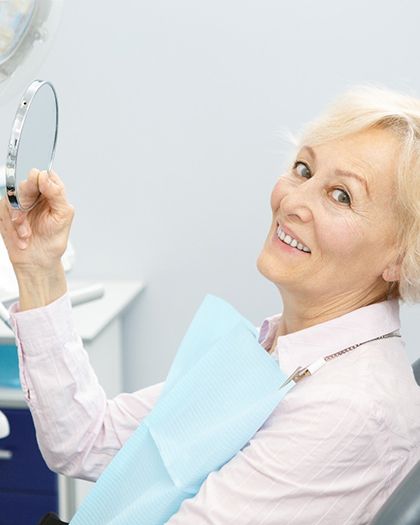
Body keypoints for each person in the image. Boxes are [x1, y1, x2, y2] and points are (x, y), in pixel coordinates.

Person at [1, 84, 420, 525]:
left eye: (342, 196)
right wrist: (39, 267)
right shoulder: (278, 349)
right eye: (303, 169)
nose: (292, 201)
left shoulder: (349, 410)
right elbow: (86, 440)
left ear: (401, 255)